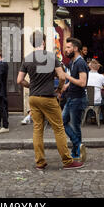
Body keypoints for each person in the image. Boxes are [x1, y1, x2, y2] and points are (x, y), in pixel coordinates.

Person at [17, 31, 84, 170]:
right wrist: (59, 89)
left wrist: (30, 85)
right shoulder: (51, 57)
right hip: (48, 97)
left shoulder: (27, 58)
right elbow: (62, 77)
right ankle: (67, 161)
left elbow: (19, 80)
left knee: (37, 129)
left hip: (34, 98)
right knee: (59, 128)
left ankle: (40, 162)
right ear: (44, 42)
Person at [61, 37, 89, 162]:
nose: (66, 50)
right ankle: (78, 146)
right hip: (71, 98)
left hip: (78, 99)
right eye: (66, 47)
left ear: (75, 48)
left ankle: (77, 151)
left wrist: (67, 77)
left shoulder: (80, 63)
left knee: (75, 126)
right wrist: (66, 86)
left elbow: (83, 83)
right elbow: (74, 80)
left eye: (68, 47)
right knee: (62, 122)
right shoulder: (72, 62)